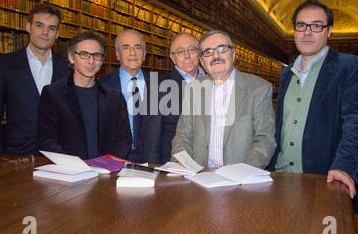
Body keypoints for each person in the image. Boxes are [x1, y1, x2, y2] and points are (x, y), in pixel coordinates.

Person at [267, 0, 358, 213]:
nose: (307, 32)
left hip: (324, 179)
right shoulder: (286, 73)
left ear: (329, 31)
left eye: (316, 26)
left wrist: (344, 165)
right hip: (279, 179)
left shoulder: (350, 67)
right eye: (301, 25)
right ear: (295, 30)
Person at [171, 30, 276, 168]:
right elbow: (182, 137)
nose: (215, 55)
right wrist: (186, 168)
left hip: (241, 180)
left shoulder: (258, 88)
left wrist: (242, 174)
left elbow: (265, 140)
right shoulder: (194, 89)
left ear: (233, 54)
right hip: (200, 177)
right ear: (202, 61)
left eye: (222, 49)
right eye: (208, 52)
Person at [0, 4, 69, 155]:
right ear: (28, 27)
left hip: (58, 156)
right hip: (16, 155)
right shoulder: (5, 64)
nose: (45, 32)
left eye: (51, 28)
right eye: (39, 25)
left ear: (57, 34)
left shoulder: (67, 68)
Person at [37, 31, 132, 159]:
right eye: (84, 54)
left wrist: (109, 164)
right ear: (71, 57)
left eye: (97, 55)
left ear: (102, 60)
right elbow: (46, 139)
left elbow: (124, 138)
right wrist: (74, 165)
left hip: (106, 172)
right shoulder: (53, 94)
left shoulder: (114, 97)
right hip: (68, 173)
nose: (91, 61)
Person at [99, 29, 162, 164]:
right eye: (126, 47)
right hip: (115, 159)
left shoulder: (160, 85)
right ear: (117, 54)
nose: (132, 53)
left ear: (144, 54)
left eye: (137, 47)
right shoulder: (101, 86)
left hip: (153, 159)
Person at [160, 33, 205, 163]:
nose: (187, 56)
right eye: (180, 51)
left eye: (192, 50)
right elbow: (153, 134)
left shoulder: (215, 81)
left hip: (210, 164)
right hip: (174, 162)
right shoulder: (158, 86)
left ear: (200, 53)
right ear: (172, 58)